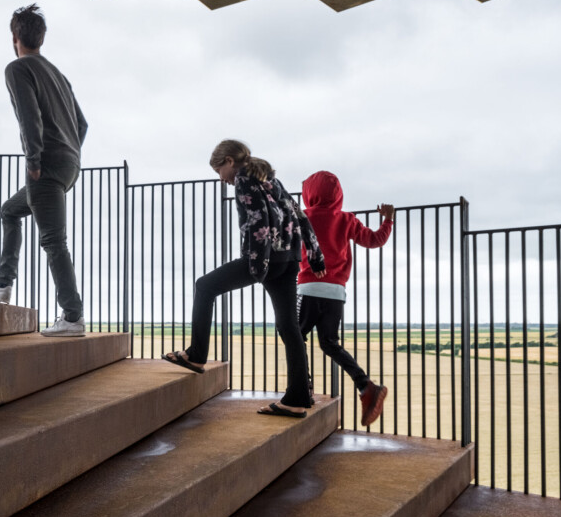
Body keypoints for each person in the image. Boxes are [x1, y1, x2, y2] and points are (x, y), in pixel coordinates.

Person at [163, 139, 326, 418]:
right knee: (289, 327)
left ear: (229, 161)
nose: (221, 179)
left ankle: (197, 355)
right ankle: (299, 395)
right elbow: (300, 216)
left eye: (218, 172)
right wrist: (315, 255)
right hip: (288, 261)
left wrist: (257, 265)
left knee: (204, 287)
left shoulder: (244, 179)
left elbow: (258, 221)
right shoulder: (271, 180)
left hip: (263, 259)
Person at [0, 4, 89, 337]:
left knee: (54, 242)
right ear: (41, 38)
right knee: (10, 211)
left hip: (47, 168)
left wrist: (35, 161)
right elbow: (82, 124)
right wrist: (70, 152)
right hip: (68, 166)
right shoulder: (59, 74)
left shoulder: (18, 69)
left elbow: (29, 118)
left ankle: (72, 317)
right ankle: (2, 283)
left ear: (15, 37)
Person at [298, 170, 394, 427]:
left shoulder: (303, 218)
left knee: (293, 334)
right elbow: (375, 240)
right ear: (337, 195)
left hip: (308, 288)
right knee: (329, 343)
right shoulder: (346, 219)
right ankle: (366, 386)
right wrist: (387, 220)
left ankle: (302, 388)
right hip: (335, 292)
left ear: (309, 194)